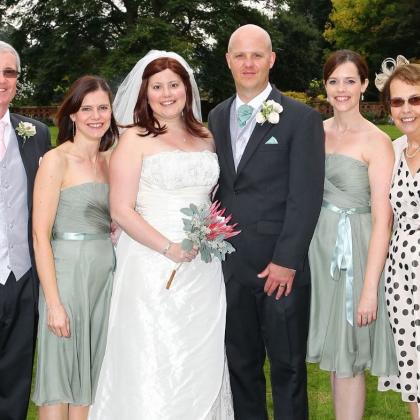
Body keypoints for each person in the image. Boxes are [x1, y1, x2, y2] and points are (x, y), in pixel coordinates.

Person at [89, 50, 234, 420]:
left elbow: (213, 196)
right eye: (157, 87)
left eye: (174, 84)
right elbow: (121, 208)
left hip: (203, 265)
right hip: (151, 262)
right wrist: (168, 247)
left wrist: (207, 234)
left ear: (187, 88)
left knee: (198, 352)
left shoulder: (206, 136)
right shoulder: (134, 139)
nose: (166, 93)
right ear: (146, 93)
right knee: (152, 351)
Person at [207, 24, 325, 419]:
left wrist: (287, 260)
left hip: (281, 269)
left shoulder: (300, 119)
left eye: (257, 54)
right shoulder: (216, 116)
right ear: (228, 61)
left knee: (288, 369)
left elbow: (305, 196)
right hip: (230, 268)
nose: (248, 62)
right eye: (239, 55)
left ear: (271, 60)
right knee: (241, 369)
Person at [306, 50, 397, 420]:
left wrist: (368, 289)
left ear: (363, 86)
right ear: (325, 86)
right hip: (317, 249)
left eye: (349, 80)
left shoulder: (377, 141)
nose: (341, 89)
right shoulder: (314, 131)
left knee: (348, 360)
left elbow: (382, 217)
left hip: (355, 251)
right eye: (333, 81)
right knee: (334, 358)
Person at [31, 75, 118, 420]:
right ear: (72, 115)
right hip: (66, 278)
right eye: (87, 109)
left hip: (103, 279)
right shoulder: (57, 160)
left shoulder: (110, 162)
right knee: (60, 374)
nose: (96, 116)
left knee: (90, 375)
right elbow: (40, 235)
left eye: (103, 108)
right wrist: (53, 303)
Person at [0, 41, 51, 420]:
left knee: (16, 377)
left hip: (22, 277)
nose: (2, 80)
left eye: (9, 72)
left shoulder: (35, 133)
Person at [376, 57, 420, 420]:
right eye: (397, 101)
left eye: (415, 99)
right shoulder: (392, 152)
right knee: (412, 369)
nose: (406, 109)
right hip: (400, 278)